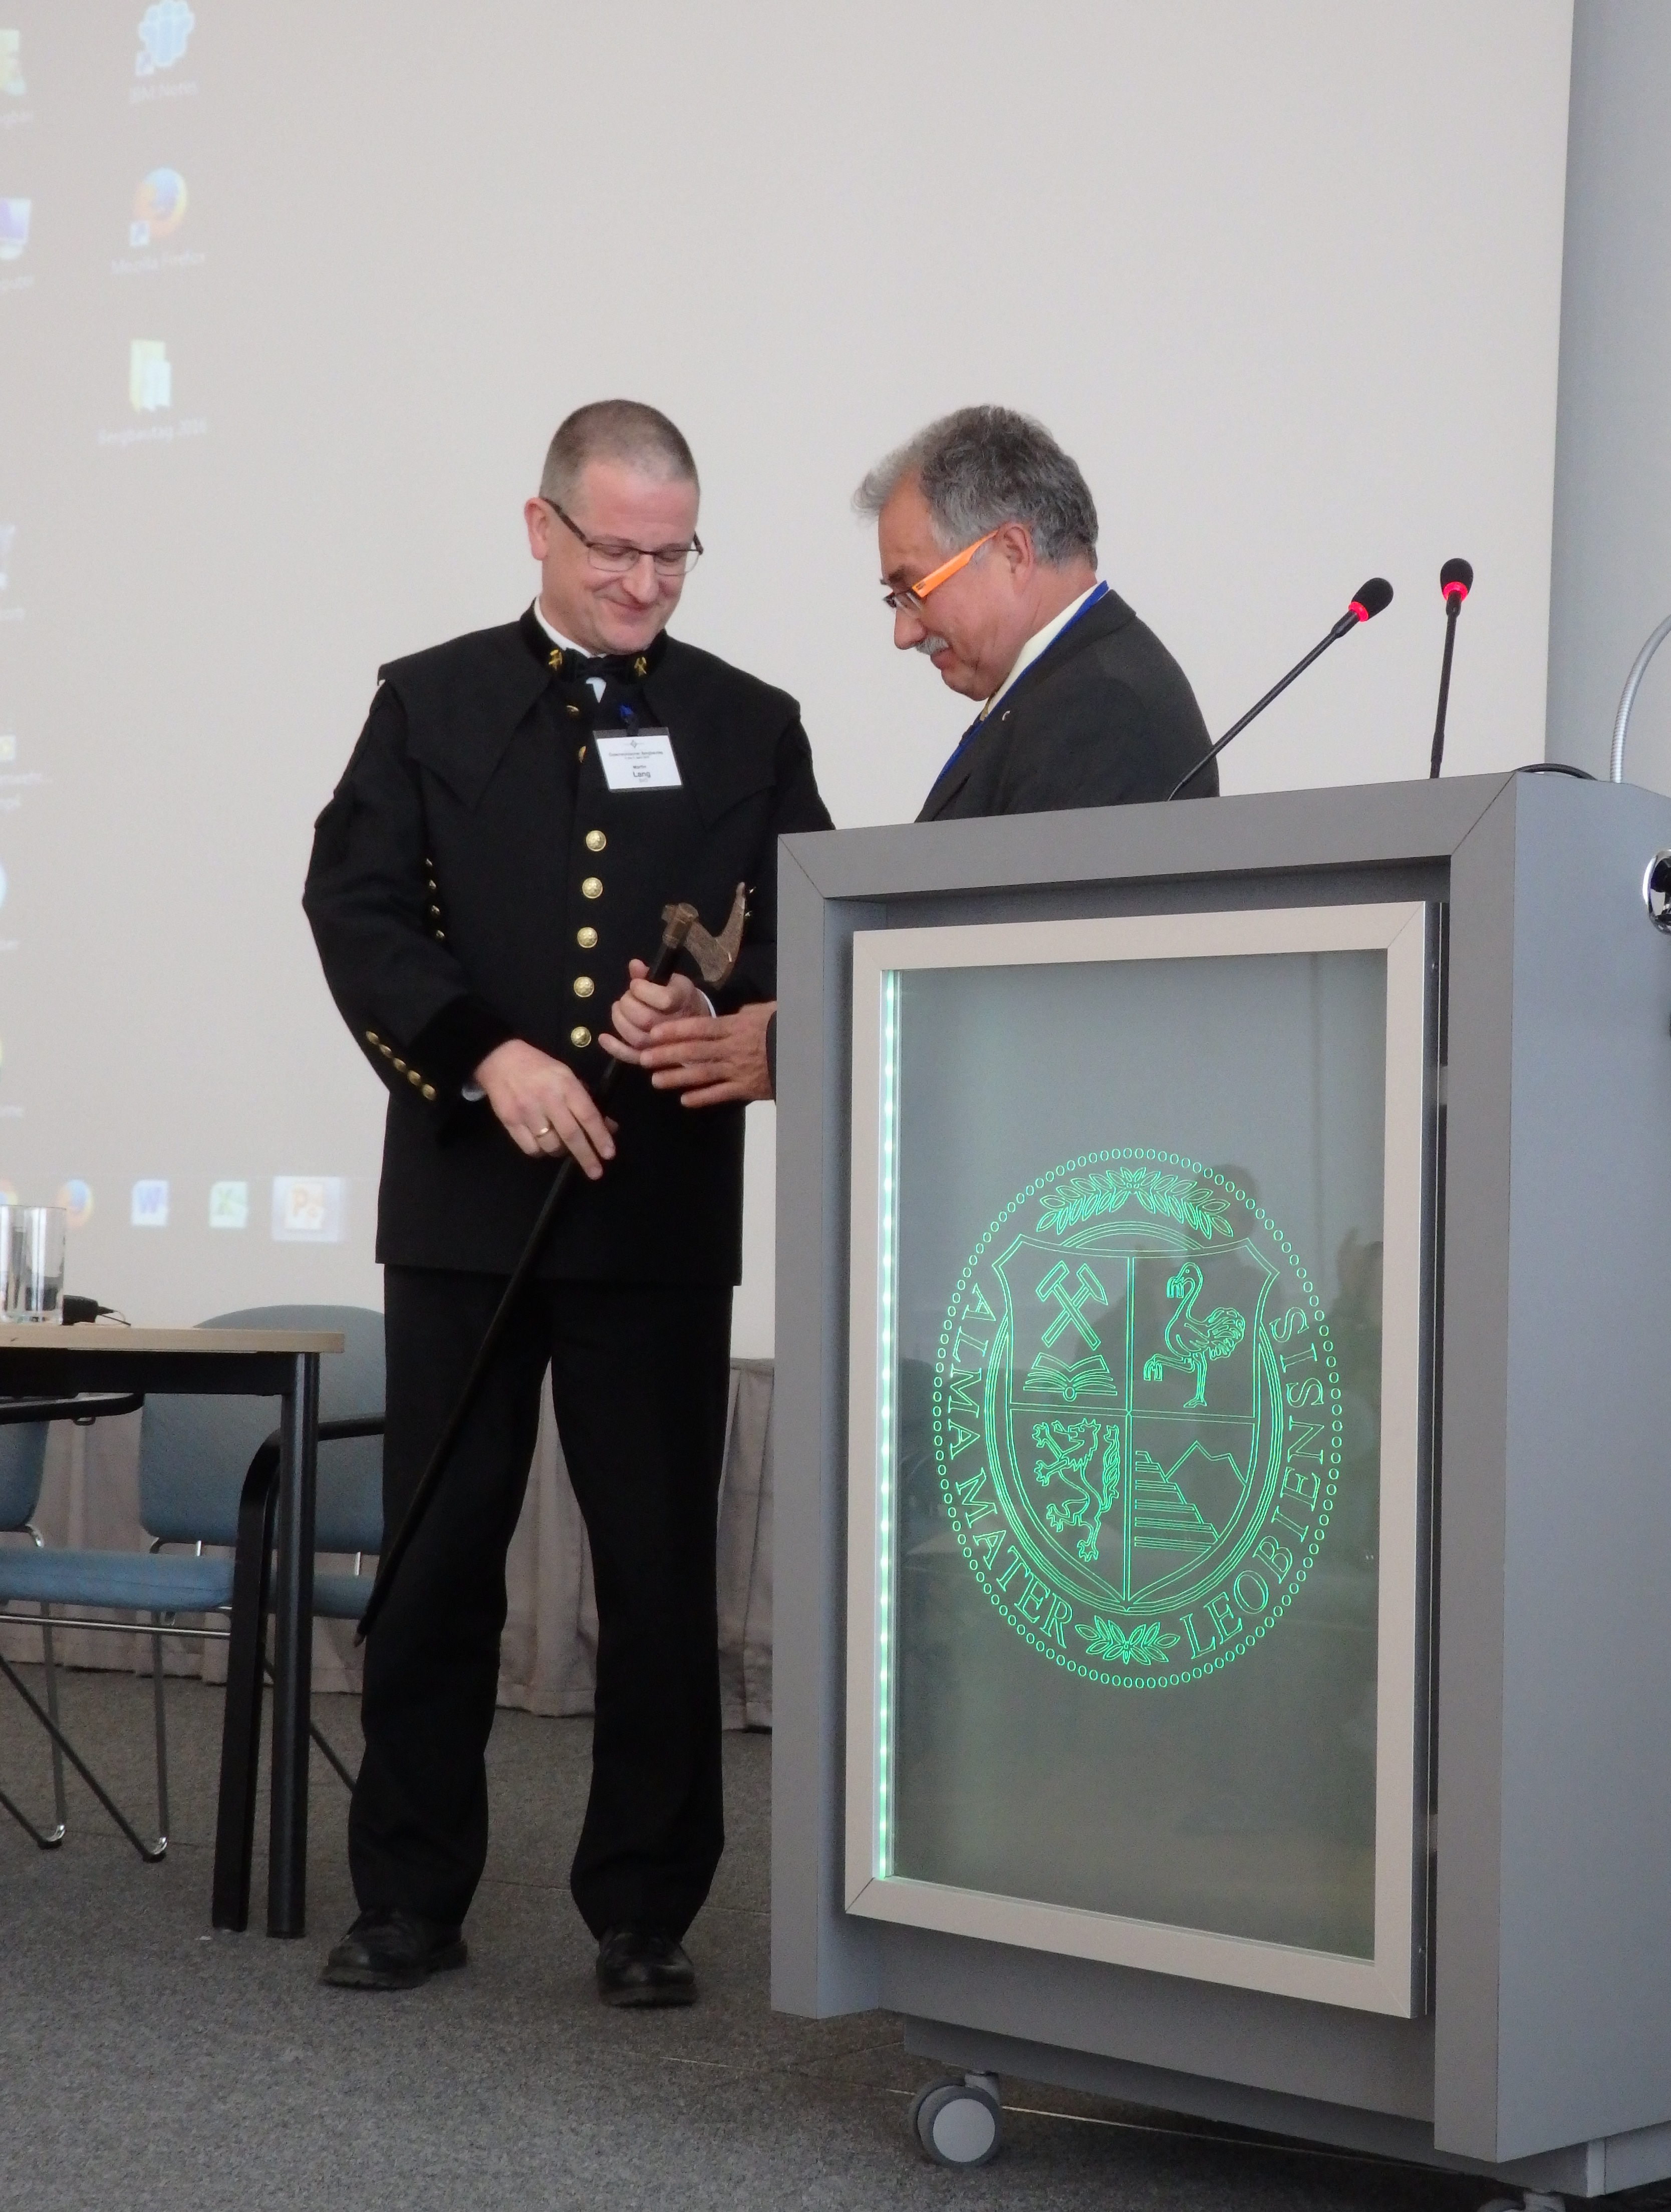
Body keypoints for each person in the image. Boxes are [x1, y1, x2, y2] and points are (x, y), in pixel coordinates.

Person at [302, 400, 831, 2004]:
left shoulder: (752, 723)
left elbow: (812, 921)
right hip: (469, 1203)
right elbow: (358, 904)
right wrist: (485, 1056)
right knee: (442, 1555)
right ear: (540, 528)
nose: (647, 584)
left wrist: (727, 1009)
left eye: (674, 556)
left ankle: (647, 1911)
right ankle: (409, 1894)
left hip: (657, 1212)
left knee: (659, 1575)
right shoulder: (430, 699)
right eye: (618, 552)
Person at [612, 403, 1213, 1104]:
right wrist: (738, 1017)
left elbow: (1037, 993)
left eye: (913, 589)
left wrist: (789, 1048)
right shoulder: (1067, 686)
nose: (904, 633)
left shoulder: (1101, 708)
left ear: (1013, 553)